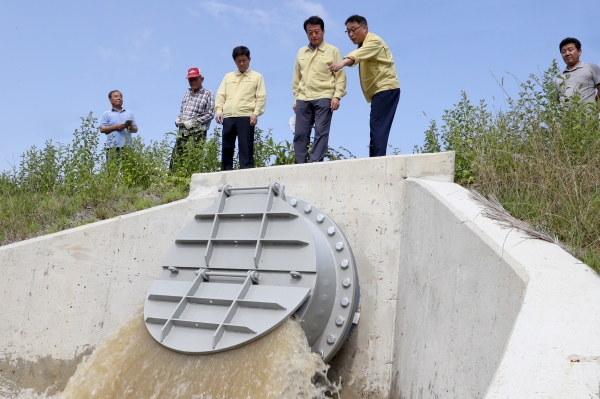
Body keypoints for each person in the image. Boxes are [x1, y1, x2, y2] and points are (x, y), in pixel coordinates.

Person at [328, 15, 400, 157]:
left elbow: (359, 54)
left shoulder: (374, 41)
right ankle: (375, 159)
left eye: (353, 30)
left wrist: (342, 63)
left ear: (364, 28)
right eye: (348, 31)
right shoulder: (365, 44)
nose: (351, 34)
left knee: (378, 127)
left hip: (386, 89)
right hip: (381, 91)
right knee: (376, 127)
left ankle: (377, 161)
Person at [292, 16, 347, 164]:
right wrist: (296, 98)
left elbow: (340, 76)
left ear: (323, 31)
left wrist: (337, 96)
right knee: (300, 133)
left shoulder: (333, 51)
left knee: (321, 132)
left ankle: (315, 163)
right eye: (310, 32)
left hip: (324, 96)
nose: (314, 35)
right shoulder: (301, 52)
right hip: (303, 97)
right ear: (306, 34)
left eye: (317, 31)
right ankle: (300, 165)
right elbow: (297, 78)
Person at [215, 46, 266, 170]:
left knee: (245, 149)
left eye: (244, 60)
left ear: (249, 59)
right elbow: (221, 94)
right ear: (235, 61)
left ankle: (247, 175)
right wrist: (219, 110)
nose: (242, 63)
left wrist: (256, 113)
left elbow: (261, 96)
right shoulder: (228, 77)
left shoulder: (257, 77)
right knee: (227, 148)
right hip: (229, 117)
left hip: (246, 117)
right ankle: (225, 175)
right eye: (239, 61)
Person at [171, 67, 215, 169]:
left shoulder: (208, 94)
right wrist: (178, 119)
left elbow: (210, 114)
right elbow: (182, 112)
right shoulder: (187, 94)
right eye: (190, 79)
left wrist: (194, 122)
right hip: (183, 132)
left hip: (198, 132)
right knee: (176, 160)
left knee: (194, 160)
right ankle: (172, 183)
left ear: (202, 79)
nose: (193, 82)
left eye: (195, 79)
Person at [555, 37, 600, 103]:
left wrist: (594, 109)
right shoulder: (559, 77)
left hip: (588, 113)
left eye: (570, 50)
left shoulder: (591, 68)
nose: (567, 53)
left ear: (579, 51)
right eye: (563, 52)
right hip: (567, 113)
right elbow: (557, 100)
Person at [99, 90, 138, 158]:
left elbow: (135, 129)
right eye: (116, 96)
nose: (119, 98)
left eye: (120, 96)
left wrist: (129, 127)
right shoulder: (107, 114)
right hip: (112, 148)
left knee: (128, 168)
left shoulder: (129, 113)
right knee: (113, 168)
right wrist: (115, 127)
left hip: (127, 148)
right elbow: (102, 129)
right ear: (110, 100)